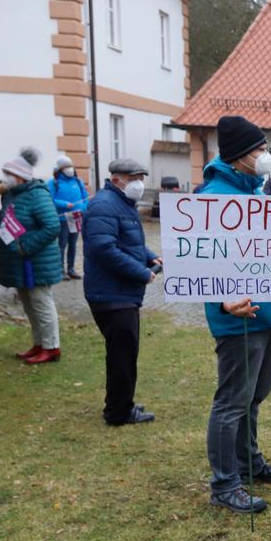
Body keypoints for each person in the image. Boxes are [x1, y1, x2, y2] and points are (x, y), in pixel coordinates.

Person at [200, 115, 271, 514]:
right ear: (240, 155)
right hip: (240, 316)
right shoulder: (213, 197)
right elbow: (198, 261)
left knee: (253, 397)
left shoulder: (255, 191)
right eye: (259, 149)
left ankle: (248, 463)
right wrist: (223, 300)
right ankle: (225, 483)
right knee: (232, 402)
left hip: (270, 313)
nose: (265, 155)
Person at [82, 158, 159, 426]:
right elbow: (104, 249)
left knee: (124, 353)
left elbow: (127, 243)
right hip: (112, 295)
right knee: (121, 356)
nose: (140, 183)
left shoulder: (121, 204)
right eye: (135, 177)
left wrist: (150, 258)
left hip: (119, 294)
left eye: (141, 177)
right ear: (117, 180)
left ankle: (122, 404)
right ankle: (118, 412)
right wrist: (141, 272)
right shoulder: (104, 204)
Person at [0, 154, 63, 364]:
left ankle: (52, 347)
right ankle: (39, 343)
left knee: (42, 303)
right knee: (28, 304)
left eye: (10, 174)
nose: (6, 177)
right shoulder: (9, 195)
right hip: (18, 262)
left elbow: (52, 226)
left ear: (21, 176)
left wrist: (25, 246)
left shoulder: (37, 195)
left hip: (35, 262)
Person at [49, 155, 89, 280]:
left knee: (73, 244)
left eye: (71, 166)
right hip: (62, 218)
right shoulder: (53, 183)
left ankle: (71, 269)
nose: (70, 169)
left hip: (76, 218)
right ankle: (60, 270)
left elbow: (85, 197)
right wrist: (65, 204)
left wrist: (82, 208)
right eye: (66, 167)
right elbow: (50, 199)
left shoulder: (78, 181)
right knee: (62, 244)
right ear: (60, 169)